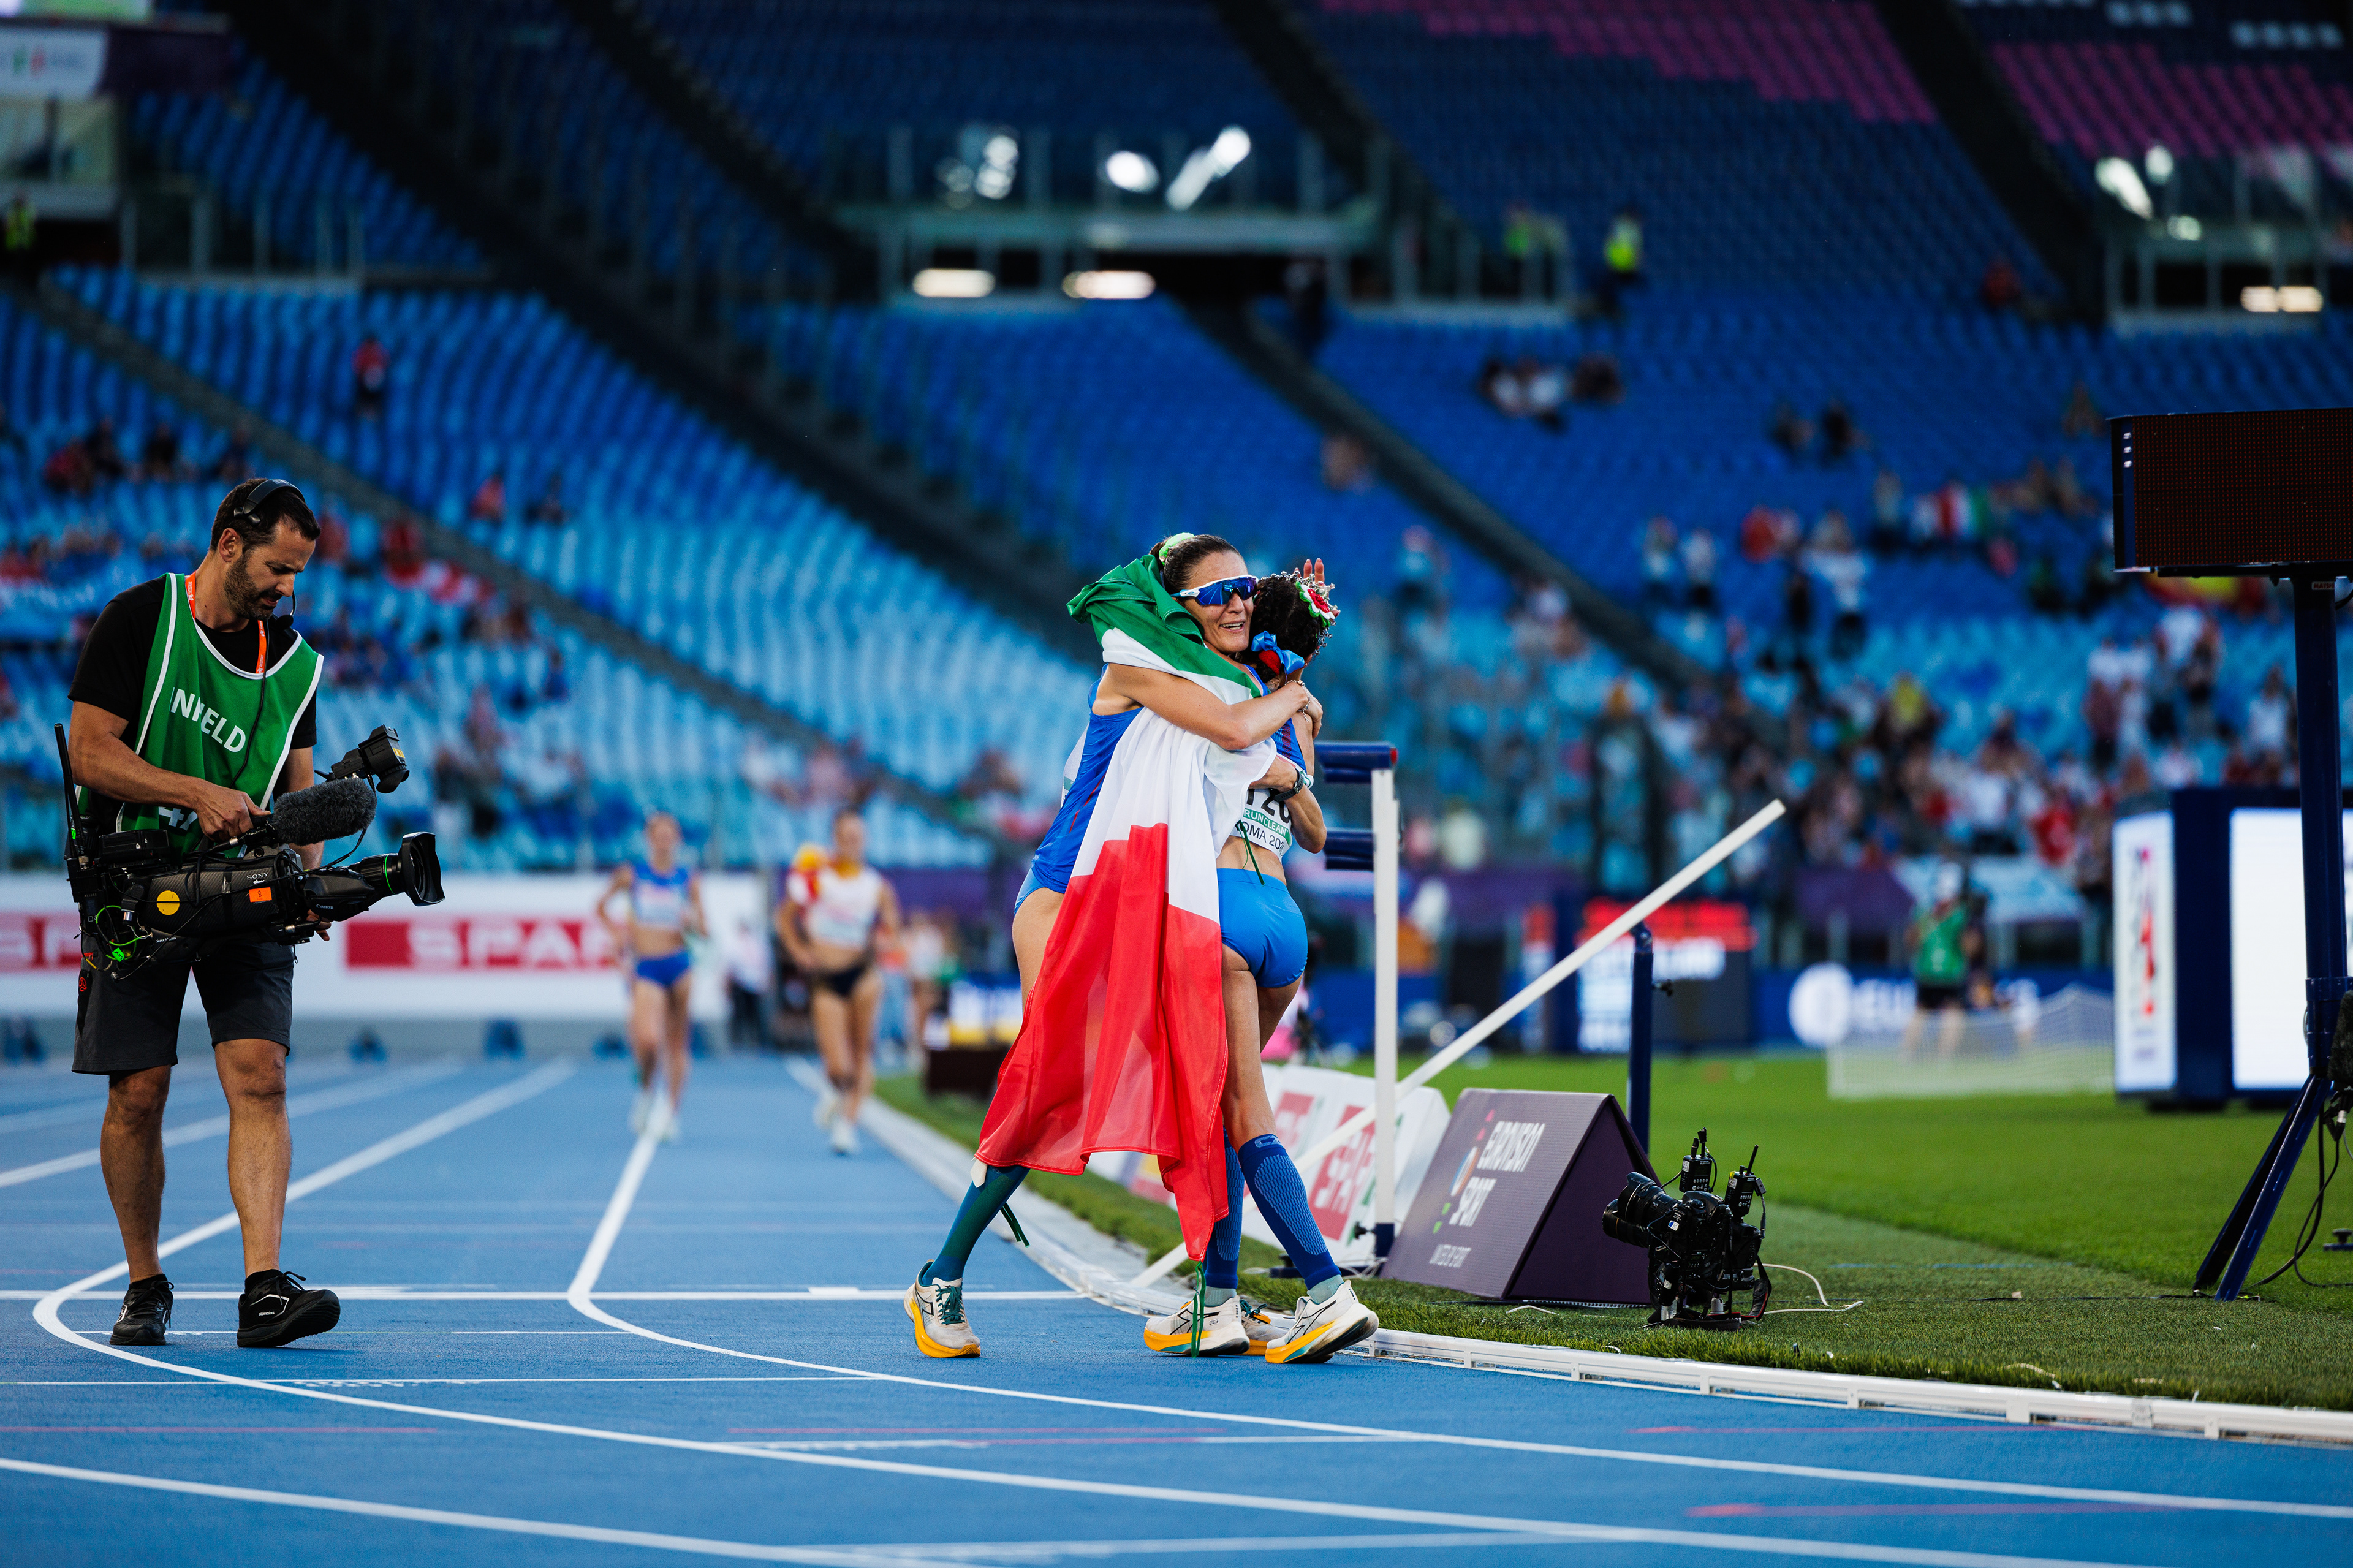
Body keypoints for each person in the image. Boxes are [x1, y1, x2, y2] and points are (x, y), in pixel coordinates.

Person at [908, 537, 1368, 1365]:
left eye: (1246, 590)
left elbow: (1267, 738)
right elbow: (1238, 725)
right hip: (1068, 894)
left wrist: (1293, 665)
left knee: (1209, 1089)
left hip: (1152, 899)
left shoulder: (1231, 680)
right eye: (1217, 592)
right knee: (1054, 1085)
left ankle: (1216, 1300)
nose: (1238, 603)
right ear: (1176, 608)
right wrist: (1293, 697)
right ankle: (941, 1277)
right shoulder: (1141, 667)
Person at [66, 477, 338, 1350]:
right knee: (138, 1091)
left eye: (296, 574)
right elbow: (88, 752)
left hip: (247, 888)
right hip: (136, 890)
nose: (287, 589)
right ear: (228, 544)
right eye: (277, 568)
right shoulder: (139, 620)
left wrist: (311, 884)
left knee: (261, 1074)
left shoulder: (292, 663)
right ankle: (145, 1281)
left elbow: (300, 790)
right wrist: (194, 791)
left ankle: (264, 1289)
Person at [778, 808, 901, 1155]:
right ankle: (834, 1089)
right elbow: (784, 919)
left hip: (862, 973)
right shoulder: (817, 878)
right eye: (846, 836)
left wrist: (885, 939)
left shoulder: (876, 886)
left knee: (862, 1052)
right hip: (826, 977)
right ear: (835, 838)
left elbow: (892, 927)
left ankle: (847, 1126)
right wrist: (799, 950)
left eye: (857, 836)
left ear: (865, 839)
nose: (852, 842)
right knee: (838, 1066)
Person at [597, 811, 705, 1141]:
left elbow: (704, 929)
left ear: (678, 839)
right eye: (658, 835)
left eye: (669, 835)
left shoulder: (688, 879)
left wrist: (691, 923)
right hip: (647, 966)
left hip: (679, 964)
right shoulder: (632, 875)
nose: (663, 841)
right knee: (647, 1041)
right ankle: (646, 1092)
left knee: (677, 1043)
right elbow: (600, 907)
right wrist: (617, 933)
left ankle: (671, 1112)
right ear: (648, 839)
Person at [1900, 862, 1970, 1061]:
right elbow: (1969, 946)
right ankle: (1943, 1058)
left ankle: (1907, 1054)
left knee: (1921, 1012)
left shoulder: (1922, 910)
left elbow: (1910, 940)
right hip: (1950, 972)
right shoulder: (1960, 913)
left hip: (1927, 971)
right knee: (1953, 1014)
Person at [351, 333, 388, 419]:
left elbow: (384, 365)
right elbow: (357, 366)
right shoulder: (363, 353)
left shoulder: (379, 353)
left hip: (376, 384)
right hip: (363, 382)